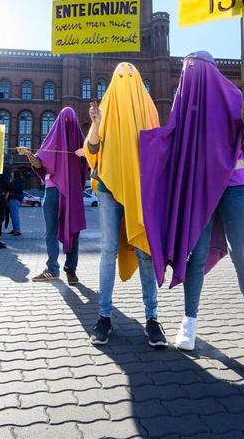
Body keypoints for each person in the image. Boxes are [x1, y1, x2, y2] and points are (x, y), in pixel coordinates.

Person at [140, 51, 244, 361]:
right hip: (199, 187)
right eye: (187, 69)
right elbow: (172, 138)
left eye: (195, 69)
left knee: (243, 255)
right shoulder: (184, 101)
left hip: (234, 185)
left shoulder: (235, 97)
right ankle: (189, 322)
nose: (191, 74)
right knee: (195, 254)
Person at [84, 62, 166, 348]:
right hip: (109, 188)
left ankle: (152, 319)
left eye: (131, 76)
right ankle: (104, 316)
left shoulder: (150, 110)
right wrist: (95, 121)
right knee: (108, 250)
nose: (125, 81)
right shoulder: (104, 108)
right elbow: (92, 149)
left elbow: (159, 150)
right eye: (120, 76)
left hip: (141, 190)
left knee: (144, 251)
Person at [18, 107, 89, 285]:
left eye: (70, 121)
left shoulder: (76, 143)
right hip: (65, 193)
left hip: (59, 192)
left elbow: (89, 163)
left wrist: (86, 152)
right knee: (65, 230)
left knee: (59, 231)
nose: (67, 124)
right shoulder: (79, 141)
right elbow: (38, 161)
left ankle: (58, 269)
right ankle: (65, 271)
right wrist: (28, 154)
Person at [6, 169, 24, 236]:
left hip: (14, 199)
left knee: (14, 215)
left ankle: (17, 230)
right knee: (13, 215)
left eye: (12, 173)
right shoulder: (18, 181)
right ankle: (15, 229)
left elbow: (14, 188)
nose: (11, 175)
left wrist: (10, 182)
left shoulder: (18, 181)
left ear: (15, 174)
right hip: (14, 198)